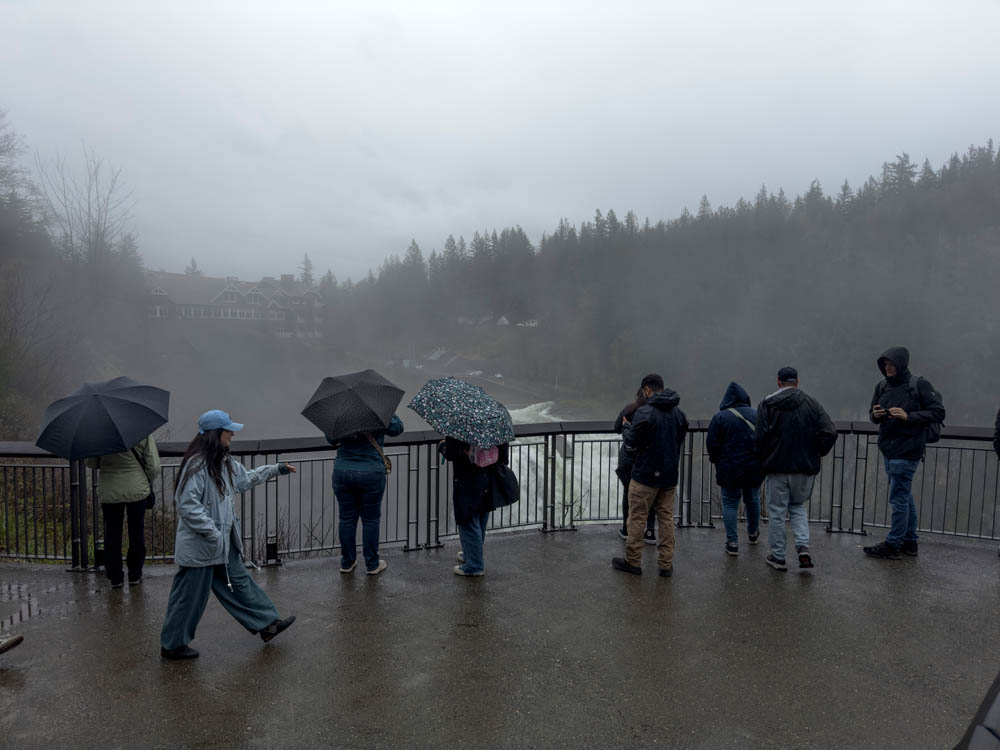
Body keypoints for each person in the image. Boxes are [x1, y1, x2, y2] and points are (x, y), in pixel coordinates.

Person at [160, 410, 297, 660]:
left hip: (222, 544)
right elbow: (186, 504)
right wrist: (212, 532)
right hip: (203, 547)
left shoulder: (223, 463)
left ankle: (268, 625)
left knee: (240, 583)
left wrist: (277, 469)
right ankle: (172, 645)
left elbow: (246, 479)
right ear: (216, 434)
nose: (232, 435)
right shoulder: (197, 465)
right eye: (228, 431)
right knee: (188, 597)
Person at [864, 347, 945, 559]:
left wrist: (908, 416)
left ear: (901, 364)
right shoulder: (882, 386)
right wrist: (876, 415)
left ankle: (893, 544)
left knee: (898, 498)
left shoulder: (919, 385)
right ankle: (909, 542)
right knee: (904, 495)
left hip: (908, 449)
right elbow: (872, 414)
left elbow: (938, 412)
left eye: (891, 364)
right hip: (888, 448)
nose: (888, 368)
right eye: (885, 365)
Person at [755, 367, 837, 572]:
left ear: (779, 382)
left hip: (777, 467)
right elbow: (829, 432)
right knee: (798, 507)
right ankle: (802, 548)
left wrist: (766, 458)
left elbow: (760, 437)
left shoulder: (767, 404)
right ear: (797, 382)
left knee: (777, 512)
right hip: (804, 468)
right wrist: (816, 452)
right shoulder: (812, 403)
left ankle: (778, 556)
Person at [612, 374, 688, 577]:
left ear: (647, 390)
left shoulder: (645, 412)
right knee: (666, 518)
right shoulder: (679, 414)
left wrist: (626, 427)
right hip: (669, 475)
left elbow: (631, 443)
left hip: (645, 474)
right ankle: (665, 564)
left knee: (637, 517)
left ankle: (633, 562)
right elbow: (679, 438)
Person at [328, 413, 404, 575]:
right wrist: (387, 413)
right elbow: (397, 428)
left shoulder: (341, 412)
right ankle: (372, 564)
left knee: (346, 519)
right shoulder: (376, 410)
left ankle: (347, 563)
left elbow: (330, 439)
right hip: (371, 471)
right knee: (371, 520)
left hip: (343, 470)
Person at [87, 434, 160, 588]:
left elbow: (92, 463)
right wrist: (146, 480)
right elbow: (153, 465)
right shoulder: (141, 432)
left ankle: (115, 577)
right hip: (136, 488)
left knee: (112, 534)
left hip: (110, 491)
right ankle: (135, 573)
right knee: (136, 532)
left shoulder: (99, 434)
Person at [438, 438, 513, 576]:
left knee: (468, 520)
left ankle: (474, 565)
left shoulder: (461, 428)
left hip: (467, 479)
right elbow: (504, 456)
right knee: (481, 515)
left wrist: (442, 446)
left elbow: (451, 453)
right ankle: (470, 554)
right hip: (488, 477)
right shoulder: (495, 428)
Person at [706, 382, 764, 556]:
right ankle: (753, 533)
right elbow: (765, 440)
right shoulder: (757, 415)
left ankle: (732, 542)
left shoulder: (720, 417)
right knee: (752, 499)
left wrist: (717, 461)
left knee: (730, 502)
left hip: (729, 468)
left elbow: (712, 444)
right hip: (754, 467)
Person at [614, 389, 656, 544]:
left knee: (628, 493)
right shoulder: (653, 413)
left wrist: (626, 426)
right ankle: (650, 531)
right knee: (650, 493)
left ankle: (626, 529)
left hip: (627, 460)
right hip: (646, 459)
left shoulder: (630, 409)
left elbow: (617, 427)